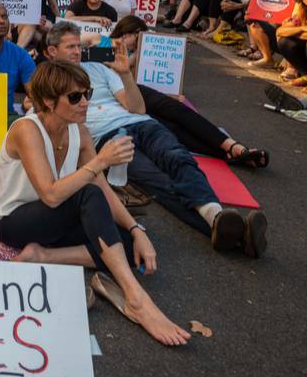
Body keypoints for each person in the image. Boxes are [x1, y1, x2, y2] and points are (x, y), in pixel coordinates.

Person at [0, 60, 189, 346]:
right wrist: (100, 162)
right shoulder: (26, 129)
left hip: (54, 218)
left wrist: (136, 229)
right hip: (12, 221)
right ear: (48, 100)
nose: (85, 103)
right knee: (88, 199)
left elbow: (102, 186)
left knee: (129, 248)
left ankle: (42, 257)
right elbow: (51, 194)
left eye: (87, 94)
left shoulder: (78, 131)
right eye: (75, 97)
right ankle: (136, 298)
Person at [39, 21, 267, 256]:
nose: (77, 51)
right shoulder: (47, 81)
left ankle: (219, 221)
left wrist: (126, 74)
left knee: (178, 158)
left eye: (79, 46)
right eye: (70, 47)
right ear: (52, 51)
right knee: (158, 182)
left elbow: (137, 108)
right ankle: (228, 229)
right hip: (109, 139)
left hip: (141, 124)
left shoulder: (100, 68)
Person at [112, 16, 269, 167]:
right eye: (138, 37)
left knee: (176, 110)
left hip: (137, 92)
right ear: (126, 34)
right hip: (117, 97)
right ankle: (228, 153)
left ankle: (232, 146)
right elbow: (108, 64)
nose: (139, 43)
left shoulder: (137, 51)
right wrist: (127, 55)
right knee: (166, 126)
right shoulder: (107, 45)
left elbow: (141, 80)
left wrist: (165, 92)